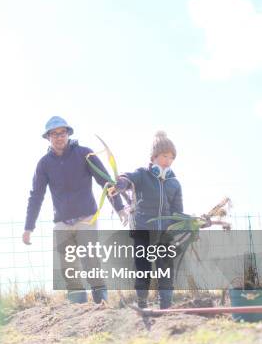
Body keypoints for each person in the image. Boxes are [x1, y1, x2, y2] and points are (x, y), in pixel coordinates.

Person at [23, 116, 126, 304]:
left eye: (62, 133)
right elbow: (36, 195)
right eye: (54, 134)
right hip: (62, 221)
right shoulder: (44, 164)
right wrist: (29, 227)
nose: (58, 137)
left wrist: (119, 208)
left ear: (68, 134)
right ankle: (78, 307)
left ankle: (101, 302)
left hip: (86, 218)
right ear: (48, 137)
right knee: (68, 266)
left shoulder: (85, 154)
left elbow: (105, 182)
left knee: (91, 261)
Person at [110, 131, 183, 309]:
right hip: (143, 230)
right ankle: (142, 302)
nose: (168, 160)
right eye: (165, 156)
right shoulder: (142, 174)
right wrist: (121, 183)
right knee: (142, 267)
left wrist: (178, 227)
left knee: (165, 269)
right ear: (154, 157)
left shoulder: (174, 183)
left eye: (171, 158)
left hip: (164, 234)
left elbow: (177, 212)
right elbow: (127, 179)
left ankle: (165, 304)